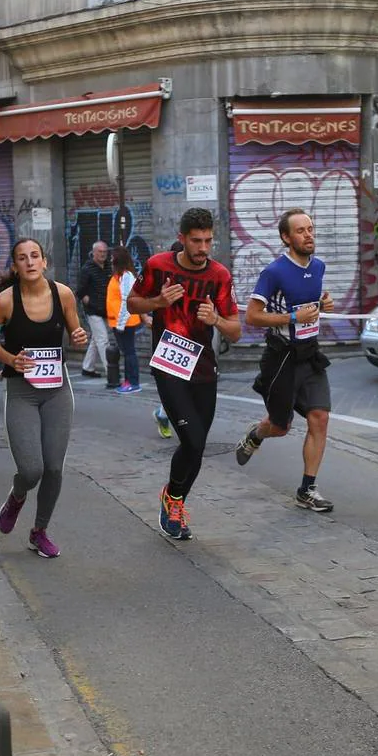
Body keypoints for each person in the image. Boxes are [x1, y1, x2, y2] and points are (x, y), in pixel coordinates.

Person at [128, 208, 242, 540]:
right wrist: (158, 301)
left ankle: (174, 499)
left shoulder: (219, 276)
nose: (203, 247)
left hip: (204, 367)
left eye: (208, 240)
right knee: (191, 440)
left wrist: (216, 321)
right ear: (182, 239)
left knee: (198, 445)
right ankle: (174, 499)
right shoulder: (158, 266)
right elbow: (132, 303)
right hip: (169, 364)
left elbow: (235, 331)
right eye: (196, 241)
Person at [0, 239, 88, 559]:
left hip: (57, 390)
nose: (29, 262)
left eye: (35, 256)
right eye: (22, 258)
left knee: (54, 469)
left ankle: (39, 532)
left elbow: (76, 334)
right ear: (15, 266)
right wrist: (9, 360)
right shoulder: (3, 302)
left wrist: (79, 337)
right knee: (31, 470)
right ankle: (17, 497)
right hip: (21, 392)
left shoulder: (64, 295)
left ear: (44, 262)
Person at [234, 209, 337, 512]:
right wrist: (293, 317)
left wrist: (324, 303)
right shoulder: (274, 272)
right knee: (281, 427)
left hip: (310, 354)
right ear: (286, 237)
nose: (309, 235)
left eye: (311, 229)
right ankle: (256, 433)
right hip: (281, 358)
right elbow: (252, 315)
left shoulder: (318, 267)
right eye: (301, 231)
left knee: (320, 417)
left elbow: (311, 304)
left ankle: (307, 489)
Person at [151, 242, 182, 439]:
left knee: (185, 384)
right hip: (168, 338)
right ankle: (165, 415)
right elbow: (139, 300)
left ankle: (163, 414)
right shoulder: (160, 276)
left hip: (193, 341)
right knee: (174, 383)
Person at [108, 246, 143, 395]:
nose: (110, 260)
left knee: (129, 352)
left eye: (112, 257)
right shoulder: (119, 276)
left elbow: (125, 301)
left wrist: (120, 324)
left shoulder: (127, 277)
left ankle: (133, 382)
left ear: (118, 260)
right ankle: (129, 381)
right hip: (120, 322)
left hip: (125, 322)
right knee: (127, 352)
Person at [74, 241, 112, 379]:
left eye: (105, 252)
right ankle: (111, 371)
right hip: (93, 311)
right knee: (103, 339)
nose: (103, 255)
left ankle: (87, 367)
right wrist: (90, 303)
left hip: (106, 310)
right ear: (94, 252)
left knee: (97, 339)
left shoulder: (108, 267)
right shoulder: (87, 268)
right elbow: (80, 291)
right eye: (100, 252)